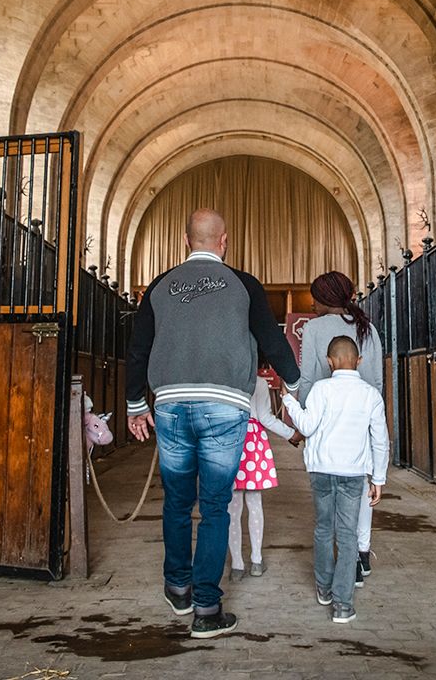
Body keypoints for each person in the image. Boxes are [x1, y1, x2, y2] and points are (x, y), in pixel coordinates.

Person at [126, 208, 301, 639]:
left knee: (177, 502)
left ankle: (178, 587)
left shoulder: (160, 286)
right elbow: (271, 338)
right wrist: (295, 385)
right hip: (225, 406)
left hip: (169, 405)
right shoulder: (244, 285)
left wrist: (134, 405)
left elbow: (138, 347)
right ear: (224, 241)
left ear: (187, 241)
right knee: (217, 505)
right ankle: (207, 608)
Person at [281, 335, 389, 623]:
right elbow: (381, 440)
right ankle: (343, 604)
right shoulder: (370, 395)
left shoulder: (321, 388)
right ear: (360, 362)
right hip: (354, 474)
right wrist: (378, 477)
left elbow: (306, 425)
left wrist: (289, 402)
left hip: (321, 470)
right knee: (348, 534)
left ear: (329, 362)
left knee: (323, 528)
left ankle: (324, 588)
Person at [297, 270, 384, 584]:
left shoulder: (314, 328)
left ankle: (334, 561)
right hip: (362, 416)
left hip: (326, 420)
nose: (312, 304)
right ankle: (361, 556)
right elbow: (376, 381)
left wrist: (304, 423)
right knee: (360, 488)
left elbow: (308, 379)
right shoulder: (368, 328)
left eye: (314, 298)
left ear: (324, 299)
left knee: (328, 494)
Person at [227, 371, 301, 581]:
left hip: (229, 439)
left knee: (233, 508)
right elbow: (265, 417)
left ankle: (237, 565)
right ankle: (257, 561)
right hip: (252, 442)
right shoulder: (258, 381)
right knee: (254, 503)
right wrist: (291, 434)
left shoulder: (227, 378)